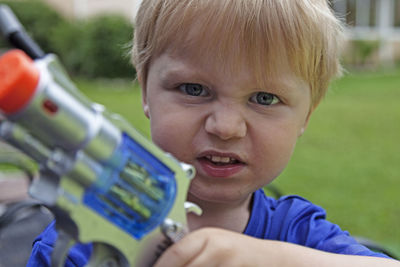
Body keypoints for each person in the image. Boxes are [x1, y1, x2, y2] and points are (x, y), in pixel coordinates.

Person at [28, 0, 400, 266]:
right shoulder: (80, 240)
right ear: (145, 92)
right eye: (193, 89)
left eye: (264, 98)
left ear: (306, 116)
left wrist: (272, 260)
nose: (225, 127)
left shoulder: (299, 235)